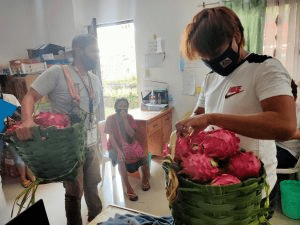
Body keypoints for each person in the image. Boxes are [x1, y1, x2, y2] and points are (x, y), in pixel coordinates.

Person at [176, 6, 296, 217]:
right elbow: (199, 116)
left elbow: (285, 125)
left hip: (251, 189)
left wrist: (213, 118)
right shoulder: (210, 78)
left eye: (215, 53)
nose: (211, 61)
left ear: (237, 36)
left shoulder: (265, 68)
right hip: (215, 183)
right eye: (205, 57)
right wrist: (188, 128)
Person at [16, 34, 103, 225]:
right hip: (69, 148)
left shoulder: (94, 80)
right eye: (94, 51)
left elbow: (93, 113)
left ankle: (97, 220)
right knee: (74, 192)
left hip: (91, 143)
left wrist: (100, 143)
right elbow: (29, 97)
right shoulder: (58, 72)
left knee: (93, 186)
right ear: (80, 50)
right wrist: (27, 121)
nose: (98, 55)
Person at [104, 97, 150, 201]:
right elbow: (111, 138)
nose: (123, 108)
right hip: (115, 146)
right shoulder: (110, 119)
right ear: (116, 107)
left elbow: (132, 135)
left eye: (125, 106)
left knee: (143, 155)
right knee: (121, 159)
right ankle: (127, 187)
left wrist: (125, 121)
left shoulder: (130, 118)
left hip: (129, 144)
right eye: (120, 106)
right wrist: (119, 151)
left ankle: (145, 178)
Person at [0, 91, 35, 188]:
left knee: (19, 156)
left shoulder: (9, 98)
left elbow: (20, 115)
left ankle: (24, 178)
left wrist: (10, 122)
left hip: (12, 134)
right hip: (2, 136)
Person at [276, 80, 300, 168]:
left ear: (295, 97)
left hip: (288, 151)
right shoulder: (276, 108)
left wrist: (288, 132)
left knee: (260, 161)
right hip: (273, 145)